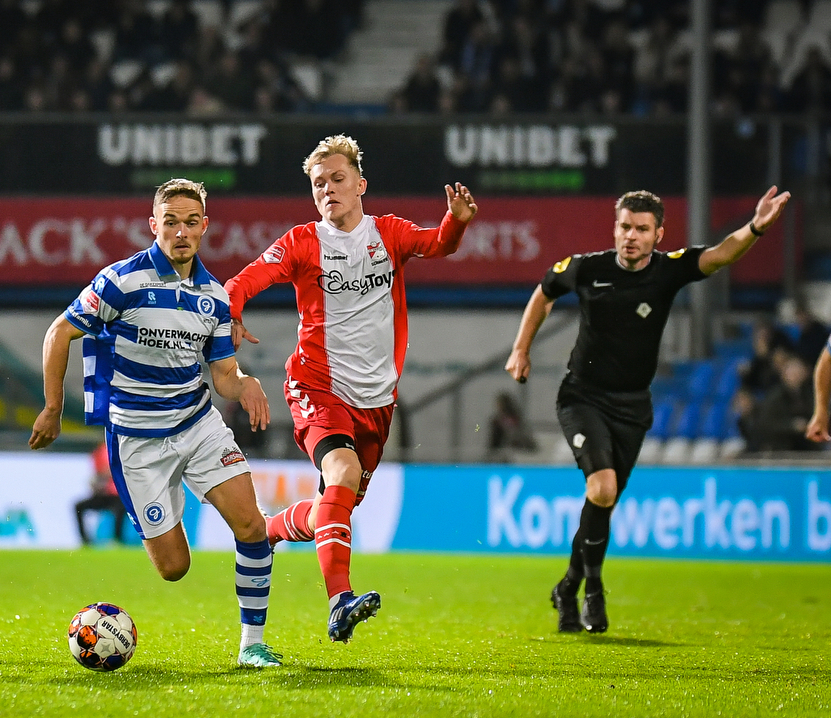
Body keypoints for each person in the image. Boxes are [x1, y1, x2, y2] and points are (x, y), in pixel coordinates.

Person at [504, 187, 790, 634]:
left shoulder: (667, 271)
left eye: (641, 229)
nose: (630, 236)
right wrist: (521, 349)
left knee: (604, 501)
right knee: (601, 490)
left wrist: (755, 228)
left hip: (633, 407)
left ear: (659, 234)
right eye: (624, 227)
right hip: (581, 397)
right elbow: (544, 293)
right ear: (615, 228)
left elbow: (719, 255)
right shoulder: (586, 268)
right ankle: (594, 590)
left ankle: (568, 587)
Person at [225, 135, 477, 643]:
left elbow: (438, 244)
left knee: (331, 508)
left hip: (376, 401)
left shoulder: (389, 233)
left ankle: (269, 531)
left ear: (361, 184)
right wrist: (231, 311)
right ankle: (340, 600)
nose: (328, 189)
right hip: (317, 385)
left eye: (337, 179)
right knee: (341, 470)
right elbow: (245, 279)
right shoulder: (301, 242)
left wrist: (457, 221)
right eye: (319, 184)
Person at [30, 178, 282, 668]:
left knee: (252, 524)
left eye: (191, 222)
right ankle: (168, 496)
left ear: (205, 227)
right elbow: (60, 332)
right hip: (136, 441)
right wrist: (52, 407)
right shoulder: (120, 281)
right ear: (154, 225)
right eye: (171, 222)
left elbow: (224, 376)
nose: (181, 232)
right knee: (174, 568)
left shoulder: (214, 296)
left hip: (196, 423)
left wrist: (245, 382)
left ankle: (252, 645)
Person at [74, 443, 126, 546]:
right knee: (78, 506)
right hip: (104, 493)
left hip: (118, 494)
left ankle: (117, 540)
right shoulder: (98, 452)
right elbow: (99, 475)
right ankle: (85, 540)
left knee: (119, 508)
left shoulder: (120, 447)